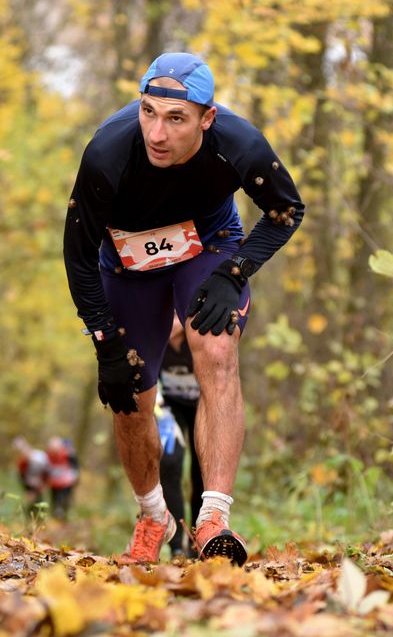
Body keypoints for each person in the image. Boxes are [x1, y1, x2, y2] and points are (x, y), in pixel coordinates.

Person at [63, 52, 304, 565]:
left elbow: (286, 211)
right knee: (131, 395)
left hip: (208, 248)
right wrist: (104, 343)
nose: (157, 133)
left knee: (215, 351)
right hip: (126, 264)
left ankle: (214, 517)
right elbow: (78, 256)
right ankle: (154, 517)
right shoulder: (108, 153)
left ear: (206, 118)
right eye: (149, 112)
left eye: (176, 119)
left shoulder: (239, 143)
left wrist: (233, 273)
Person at [158, 315, 203, 558]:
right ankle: (176, 544)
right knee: (170, 463)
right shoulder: (155, 341)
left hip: (201, 406)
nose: (171, 321)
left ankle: (199, 539)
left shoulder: (197, 338)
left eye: (176, 315)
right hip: (169, 408)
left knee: (201, 472)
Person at [13, 437, 50, 517]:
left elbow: (46, 474)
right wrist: (28, 489)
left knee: (39, 501)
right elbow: (21, 477)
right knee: (30, 500)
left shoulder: (40, 459)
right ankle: (27, 517)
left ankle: (40, 518)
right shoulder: (22, 463)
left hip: (40, 483)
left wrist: (42, 486)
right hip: (29, 483)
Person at [45, 436, 80, 519]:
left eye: (55, 448)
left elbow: (75, 468)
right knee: (54, 499)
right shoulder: (48, 455)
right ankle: (56, 515)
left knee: (65, 499)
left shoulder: (69, 454)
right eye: (52, 448)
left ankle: (65, 515)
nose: (54, 450)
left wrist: (75, 478)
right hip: (54, 482)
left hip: (66, 482)